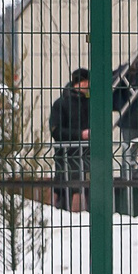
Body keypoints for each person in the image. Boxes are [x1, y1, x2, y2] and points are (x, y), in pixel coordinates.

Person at [48, 68, 92, 212]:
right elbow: (57, 131)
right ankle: (57, 215)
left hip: (85, 154)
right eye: (86, 81)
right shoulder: (62, 104)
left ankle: (76, 217)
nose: (88, 84)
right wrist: (80, 135)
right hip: (66, 154)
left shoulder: (90, 103)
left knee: (81, 187)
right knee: (63, 187)